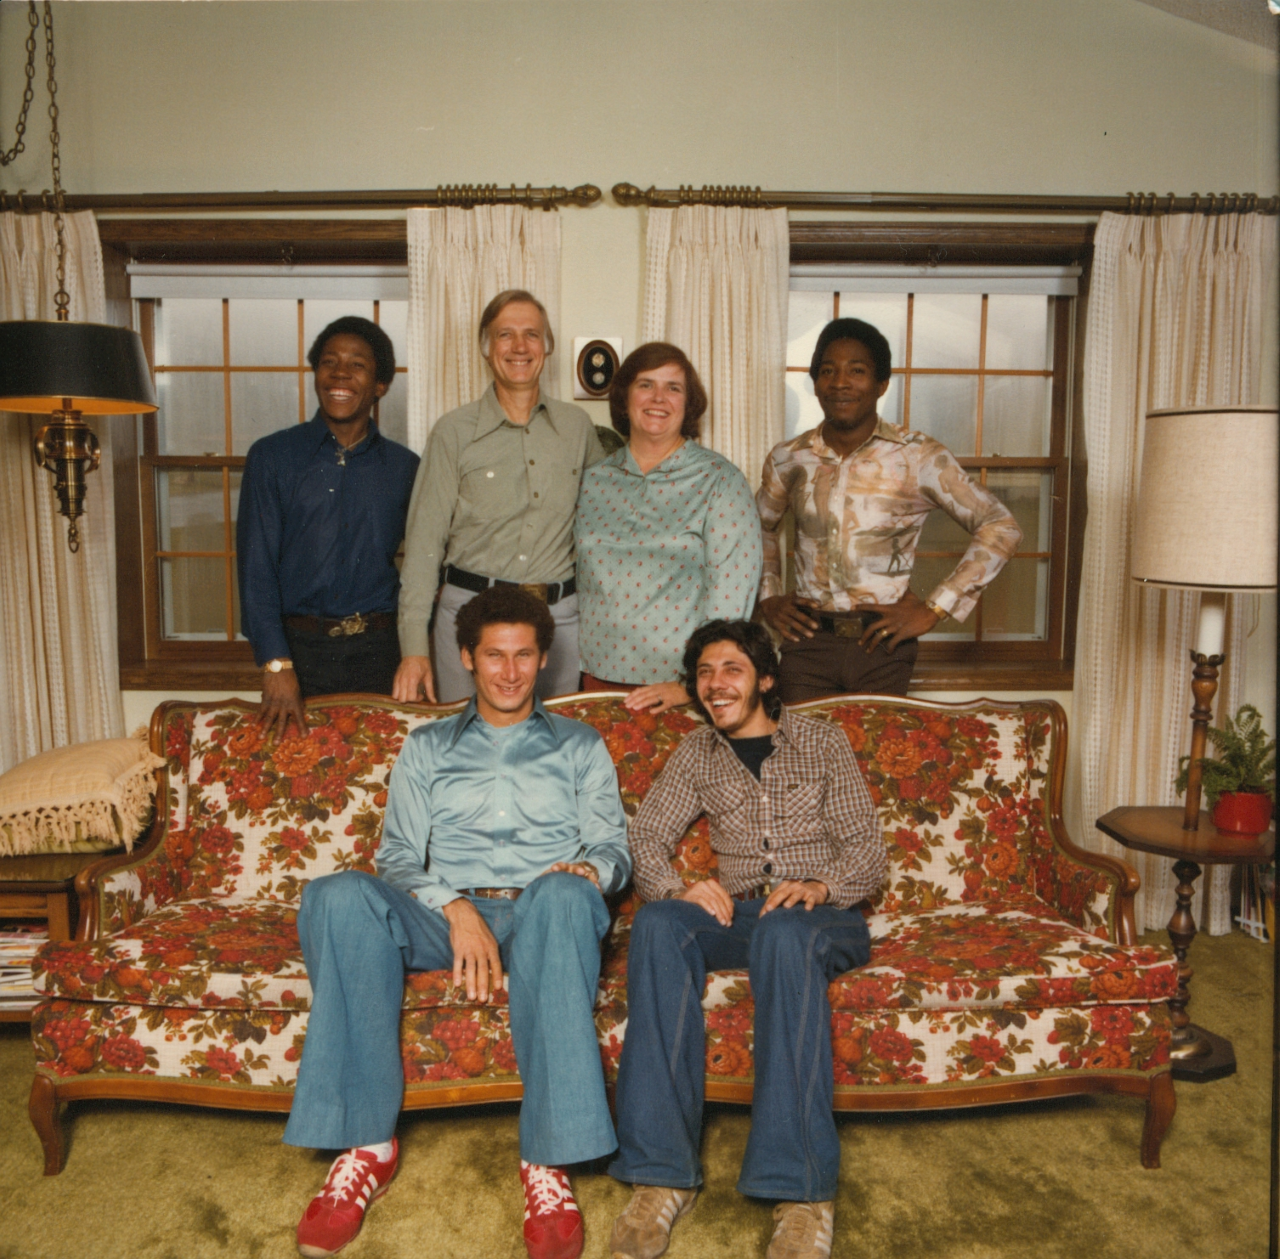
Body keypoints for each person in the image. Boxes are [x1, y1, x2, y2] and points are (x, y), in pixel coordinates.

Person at [286, 586, 631, 1259]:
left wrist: (587, 874)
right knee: (334, 895)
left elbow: (613, 851)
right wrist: (455, 905)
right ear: (467, 658)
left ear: (542, 659)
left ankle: (548, 1162)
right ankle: (367, 1145)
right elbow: (395, 857)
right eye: (494, 655)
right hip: (449, 914)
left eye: (523, 655)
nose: (509, 671)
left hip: (545, 911)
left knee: (562, 894)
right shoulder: (428, 745)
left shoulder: (581, 745)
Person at [608, 619, 886, 1259]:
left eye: (731, 669)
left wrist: (819, 885)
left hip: (822, 916)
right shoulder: (696, 754)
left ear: (764, 679)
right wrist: (679, 887)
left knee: (786, 932)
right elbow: (645, 837)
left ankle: (803, 1193)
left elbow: (868, 854)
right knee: (656, 924)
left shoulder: (821, 742)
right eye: (704, 673)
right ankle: (660, 1176)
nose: (715, 684)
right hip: (744, 916)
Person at [757, 317, 1023, 700]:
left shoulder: (918, 456)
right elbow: (759, 526)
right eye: (828, 371)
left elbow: (1000, 525)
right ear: (816, 383)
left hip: (881, 645)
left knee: (877, 759)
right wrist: (769, 597)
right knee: (801, 757)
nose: (840, 383)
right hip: (808, 644)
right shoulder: (789, 458)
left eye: (857, 371)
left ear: (881, 384)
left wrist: (934, 608)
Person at [393, 290, 604, 705]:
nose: (520, 347)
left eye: (532, 334)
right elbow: (422, 547)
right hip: (469, 619)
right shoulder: (453, 432)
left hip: (557, 623)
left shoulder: (578, 428)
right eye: (505, 335)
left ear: (547, 347)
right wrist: (414, 649)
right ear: (487, 349)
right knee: (468, 751)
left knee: (550, 753)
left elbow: (606, 528)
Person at [238, 316, 419, 740]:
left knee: (379, 783)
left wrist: (417, 653)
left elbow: (430, 565)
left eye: (357, 364)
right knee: (299, 786)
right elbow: (255, 570)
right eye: (328, 362)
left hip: (381, 653)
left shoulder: (406, 467)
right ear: (316, 373)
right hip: (299, 654)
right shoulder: (272, 458)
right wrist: (276, 664)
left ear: (381, 385)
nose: (340, 373)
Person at [575, 342, 762, 713]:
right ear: (624, 396)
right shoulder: (593, 480)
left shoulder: (720, 481)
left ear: (688, 403)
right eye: (646, 384)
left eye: (673, 388)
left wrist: (691, 686)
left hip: (680, 689)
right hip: (593, 680)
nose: (658, 398)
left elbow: (731, 603)